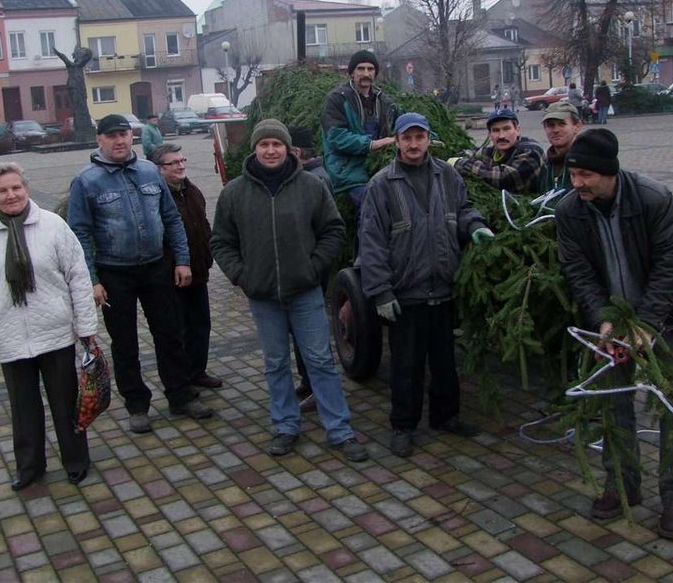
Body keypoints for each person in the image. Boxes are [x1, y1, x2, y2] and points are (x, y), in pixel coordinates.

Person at [555, 128, 673, 540]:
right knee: (614, 405)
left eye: (585, 176)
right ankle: (622, 485)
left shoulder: (653, 199)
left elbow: (672, 264)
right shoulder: (570, 211)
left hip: (662, 320)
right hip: (611, 326)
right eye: (572, 174)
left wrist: (648, 323)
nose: (576, 183)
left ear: (609, 172)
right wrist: (603, 318)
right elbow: (577, 270)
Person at [211, 118, 368, 462]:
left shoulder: (311, 186)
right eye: (264, 145)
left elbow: (333, 231)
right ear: (255, 149)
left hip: (305, 293)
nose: (270, 150)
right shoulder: (235, 193)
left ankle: (340, 430)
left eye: (276, 144)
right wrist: (242, 276)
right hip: (263, 295)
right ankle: (285, 425)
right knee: (276, 363)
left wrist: (313, 268)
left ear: (288, 149)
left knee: (320, 361)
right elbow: (221, 242)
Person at [358, 113, 495, 458]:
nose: (414, 144)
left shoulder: (446, 175)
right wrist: (381, 292)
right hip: (407, 293)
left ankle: (445, 417)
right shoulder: (381, 185)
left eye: (420, 137)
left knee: (445, 361)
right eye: (408, 138)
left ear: (428, 139)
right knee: (407, 365)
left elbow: (463, 209)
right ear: (398, 141)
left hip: (443, 286)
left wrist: (474, 225)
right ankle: (403, 425)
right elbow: (371, 242)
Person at [67, 114, 212, 435]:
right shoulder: (86, 182)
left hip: (157, 267)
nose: (120, 141)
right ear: (99, 140)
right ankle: (137, 404)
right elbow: (79, 234)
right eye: (112, 136)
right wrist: (92, 280)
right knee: (125, 342)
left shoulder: (149, 171)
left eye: (125, 134)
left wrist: (182, 261)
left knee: (170, 333)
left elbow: (171, 219)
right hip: (114, 272)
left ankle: (180, 395)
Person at [0, 163, 97, 490]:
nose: (11, 195)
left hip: (55, 332)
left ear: (27, 189)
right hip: (9, 337)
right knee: (23, 410)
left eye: (16, 188)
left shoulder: (53, 226)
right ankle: (30, 466)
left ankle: (76, 460)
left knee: (66, 403)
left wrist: (86, 326)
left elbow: (78, 277)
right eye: (3, 191)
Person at [150, 143, 222, 390]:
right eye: (174, 163)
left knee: (200, 325)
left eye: (182, 161)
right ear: (159, 169)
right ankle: (181, 380)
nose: (181, 166)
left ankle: (197, 371)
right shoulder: (156, 196)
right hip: (172, 276)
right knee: (177, 330)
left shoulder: (192, 190)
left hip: (199, 271)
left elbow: (202, 224)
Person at [321, 49, 399, 216]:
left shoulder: (382, 100)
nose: (366, 73)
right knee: (370, 203)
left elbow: (403, 121)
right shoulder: (337, 99)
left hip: (377, 165)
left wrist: (426, 136)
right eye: (360, 69)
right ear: (351, 72)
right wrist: (371, 144)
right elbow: (336, 137)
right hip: (347, 169)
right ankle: (365, 241)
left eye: (370, 69)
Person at [288, 126, 332, 414]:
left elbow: (323, 228)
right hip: (302, 265)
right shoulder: (308, 175)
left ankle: (319, 389)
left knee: (311, 331)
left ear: (297, 152)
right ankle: (307, 379)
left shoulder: (315, 180)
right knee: (298, 328)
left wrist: (312, 263)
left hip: (311, 266)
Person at [450, 108, 545, 193]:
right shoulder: (492, 151)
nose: (501, 136)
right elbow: (472, 152)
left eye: (506, 129)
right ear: (489, 134)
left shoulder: (531, 151)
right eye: (496, 130)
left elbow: (505, 179)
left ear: (517, 130)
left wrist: (462, 164)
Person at [538, 102, 583, 194]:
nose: (555, 130)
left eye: (562, 124)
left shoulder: (587, 161)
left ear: (577, 127)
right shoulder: (545, 164)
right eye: (551, 125)